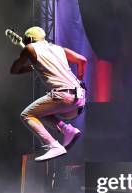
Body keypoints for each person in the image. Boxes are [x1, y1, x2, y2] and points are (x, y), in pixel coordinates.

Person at [10, 27, 87, 162]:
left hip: (64, 97)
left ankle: (53, 145)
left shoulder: (30, 49)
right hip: (79, 101)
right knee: (41, 112)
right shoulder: (59, 49)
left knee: (26, 115)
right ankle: (68, 130)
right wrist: (80, 79)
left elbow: (14, 70)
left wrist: (31, 63)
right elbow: (82, 60)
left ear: (30, 40)